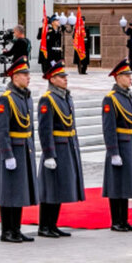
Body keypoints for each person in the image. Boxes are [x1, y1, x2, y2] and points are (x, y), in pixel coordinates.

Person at [36, 60, 84, 238]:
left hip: (66, 147)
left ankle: (53, 224)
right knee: (50, 189)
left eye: (65, 76)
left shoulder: (65, 97)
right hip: (55, 148)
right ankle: (44, 226)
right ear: (52, 79)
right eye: (61, 77)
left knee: (60, 187)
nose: (65, 80)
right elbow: (44, 129)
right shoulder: (47, 99)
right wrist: (48, 154)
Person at [0, 57, 38, 242]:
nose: (28, 77)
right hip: (12, 150)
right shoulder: (6, 99)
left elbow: (29, 127)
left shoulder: (25, 97)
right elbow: (2, 130)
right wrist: (7, 154)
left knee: (19, 191)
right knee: (8, 192)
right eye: (24, 74)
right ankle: (7, 231)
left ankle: (17, 229)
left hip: (24, 149)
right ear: (14, 76)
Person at [102, 59, 132, 232]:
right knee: (116, 184)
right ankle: (116, 221)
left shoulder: (130, 96)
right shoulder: (111, 99)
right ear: (118, 78)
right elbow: (108, 127)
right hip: (119, 145)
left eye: (130, 75)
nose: (129, 78)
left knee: (126, 183)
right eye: (126, 75)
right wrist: (113, 152)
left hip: (131, 144)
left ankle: (124, 220)